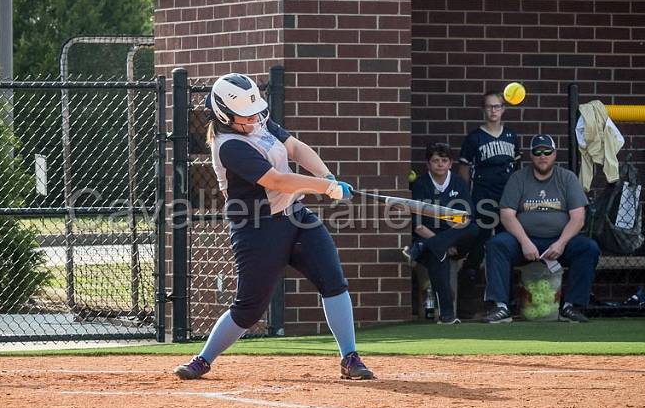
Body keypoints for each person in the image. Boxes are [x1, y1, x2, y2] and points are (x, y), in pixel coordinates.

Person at [172, 73, 374, 381]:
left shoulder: (259, 123)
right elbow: (276, 180)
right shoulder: (228, 146)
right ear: (226, 115)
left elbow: (295, 148)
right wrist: (324, 188)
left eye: (255, 112)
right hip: (257, 229)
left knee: (333, 280)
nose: (255, 118)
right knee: (249, 309)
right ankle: (203, 359)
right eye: (245, 115)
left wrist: (328, 176)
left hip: (296, 217)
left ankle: (350, 357)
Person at [482, 135, 599, 324]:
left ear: (554, 154)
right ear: (531, 155)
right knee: (496, 244)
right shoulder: (518, 178)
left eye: (547, 152)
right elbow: (507, 215)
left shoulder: (567, 178)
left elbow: (578, 218)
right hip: (524, 242)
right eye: (537, 152)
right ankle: (500, 306)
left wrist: (561, 244)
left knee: (588, 247)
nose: (542, 156)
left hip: (560, 242)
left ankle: (571, 306)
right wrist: (525, 242)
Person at [405, 143, 480, 324]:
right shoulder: (421, 185)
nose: (440, 164)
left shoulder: (458, 183)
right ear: (428, 164)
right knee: (438, 256)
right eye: (435, 160)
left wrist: (448, 242)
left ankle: (423, 247)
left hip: (455, 239)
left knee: (474, 228)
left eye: (444, 160)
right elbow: (418, 226)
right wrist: (441, 243)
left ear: (450, 163)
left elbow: (466, 218)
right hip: (428, 236)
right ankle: (447, 315)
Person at [458, 91, 520, 270]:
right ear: (483, 110)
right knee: (480, 236)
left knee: (507, 237)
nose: (493, 110)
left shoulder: (511, 136)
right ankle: (470, 274)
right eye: (489, 106)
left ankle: (505, 283)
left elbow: (517, 169)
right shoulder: (474, 138)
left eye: (497, 106)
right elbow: (464, 171)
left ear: (503, 109)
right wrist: (466, 198)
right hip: (482, 195)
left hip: (506, 196)